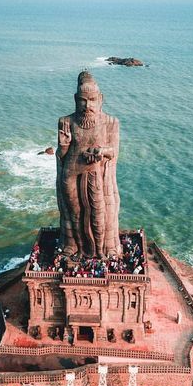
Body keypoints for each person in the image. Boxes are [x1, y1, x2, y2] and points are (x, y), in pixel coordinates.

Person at [56, 71, 121, 259]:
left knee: (98, 213)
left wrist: (101, 152)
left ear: (101, 99)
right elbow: (61, 155)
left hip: (94, 173)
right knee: (74, 213)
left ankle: (100, 251)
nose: (87, 105)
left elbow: (114, 152)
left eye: (92, 100)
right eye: (83, 100)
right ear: (76, 99)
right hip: (70, 174)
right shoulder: (66, 121)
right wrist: (63, 144)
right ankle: (78, 248)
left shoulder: (110, 122)